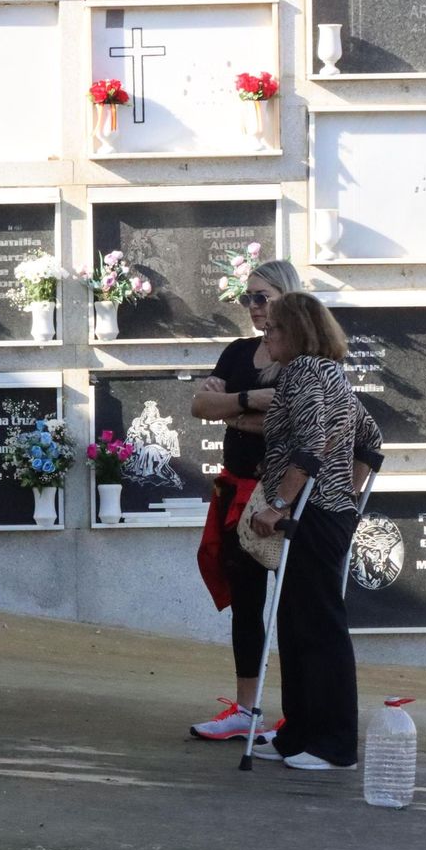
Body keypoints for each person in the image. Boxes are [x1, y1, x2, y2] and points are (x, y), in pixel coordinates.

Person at [245, 292, 384, 770]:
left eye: (275, 329)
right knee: (298, 623)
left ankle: (334, 745)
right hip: (329, 512)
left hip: (312, 514)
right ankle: (298, 731)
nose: (268, 336)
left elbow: (311, 444)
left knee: (319, 628)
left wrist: (279, 503)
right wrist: (349, 490)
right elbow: (371, 440)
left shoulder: (305, 372)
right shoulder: (331, 374)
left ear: (298, 332)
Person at [189, 260, 302, 741]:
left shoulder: (306, 360)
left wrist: (229, 407)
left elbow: (295, 421)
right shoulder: (237, 352)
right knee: (246, 605)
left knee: (296, 609)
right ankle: (246, 709)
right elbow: (198, 407)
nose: (253, 307)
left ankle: (302, 711)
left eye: (263, 297)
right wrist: (249, 402)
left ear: (288, 297)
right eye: (247, 298)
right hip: (236, 491)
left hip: (284, 495)